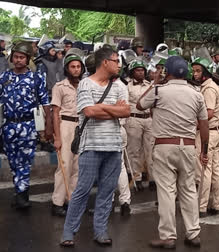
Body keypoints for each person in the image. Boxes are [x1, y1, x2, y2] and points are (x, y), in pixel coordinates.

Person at [60, 46, 130, 247]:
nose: (119, 65)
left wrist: (104, 108)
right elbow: (89, 112)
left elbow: (126, 112)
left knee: (107, 192)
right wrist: (113, 108)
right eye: (116, 60)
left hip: (114, 147)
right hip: (91, 146)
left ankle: (101, 231)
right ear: (105, 62)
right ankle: (68, 232)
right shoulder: (85, 84)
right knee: (82, 190)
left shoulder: (118, 86)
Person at [137, 56, 208, 249]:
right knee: (188, 190)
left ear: (166, 72)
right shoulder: (197, 93)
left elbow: (140, 105)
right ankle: (193, 233)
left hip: (164, 146)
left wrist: (154, 83)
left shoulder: (159, 91)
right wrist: (205, 150)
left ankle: (168, 236)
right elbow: (203, 124)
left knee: (167, 192)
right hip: (188, 146)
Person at [0, 42, 53, 209]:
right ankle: (19, 191)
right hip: (8, 126)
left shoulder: (36, 78)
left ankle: (23, 195)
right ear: (11, 58)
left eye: (22, 57)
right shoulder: (3, 78)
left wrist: (48, 126)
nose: (18, 60)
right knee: (13, 161)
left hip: (28, 125)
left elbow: (45, 103)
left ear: (27, 59)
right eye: (15, 57)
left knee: (25, 161)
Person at [50, 51, 85, 217]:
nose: (76, 70)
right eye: (72, 67)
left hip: (82, 126)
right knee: (64, 164)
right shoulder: (59, 87)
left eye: (78, 66)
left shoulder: (86, 85)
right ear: (67, 69)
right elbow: (55, 113)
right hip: (65, 125)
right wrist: (57, 137)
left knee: (78, 167)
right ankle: (57, 202)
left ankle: (71, 200)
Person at [191, 57, 219, 217]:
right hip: (213, 132)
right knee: (215, 169)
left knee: (203, 169)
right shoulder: (207, 86)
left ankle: (201, 207)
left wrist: (194, 125)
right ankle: (217, 204)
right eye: (194, 70)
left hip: (207, 133)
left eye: (198, 71)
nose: (195, 74)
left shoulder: (209, 88)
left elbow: (208, 113)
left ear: (205, 72)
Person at [125, 59, 154, 191]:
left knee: (151, 150)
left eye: (142, 70)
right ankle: (136, 177)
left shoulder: (150, 85)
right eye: (137, 70)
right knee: (134, 150)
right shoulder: (127, 86)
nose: (140, 72)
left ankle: (153, 178)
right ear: (132, 72)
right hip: (134, 119)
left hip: (148, 119)